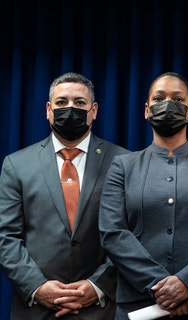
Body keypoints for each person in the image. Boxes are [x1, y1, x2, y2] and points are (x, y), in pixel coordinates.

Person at [99, 72, 188, 319]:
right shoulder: (123, 167)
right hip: (138, 305)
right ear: (147, 110)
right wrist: (163, 287)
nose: (168, 105)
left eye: (178, 99)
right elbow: (113, 233)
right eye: (159, 98)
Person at [0, 72, 129, 319]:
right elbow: (6, 236)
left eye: (80, 103)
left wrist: (98, 285)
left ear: (94, 111)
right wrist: (37, 287)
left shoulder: (124, 162)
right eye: (61, 103)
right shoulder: (16, 165)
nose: (70, 109)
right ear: (48, 110)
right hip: (36, 309)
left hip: (103, 309)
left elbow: (134, 233)